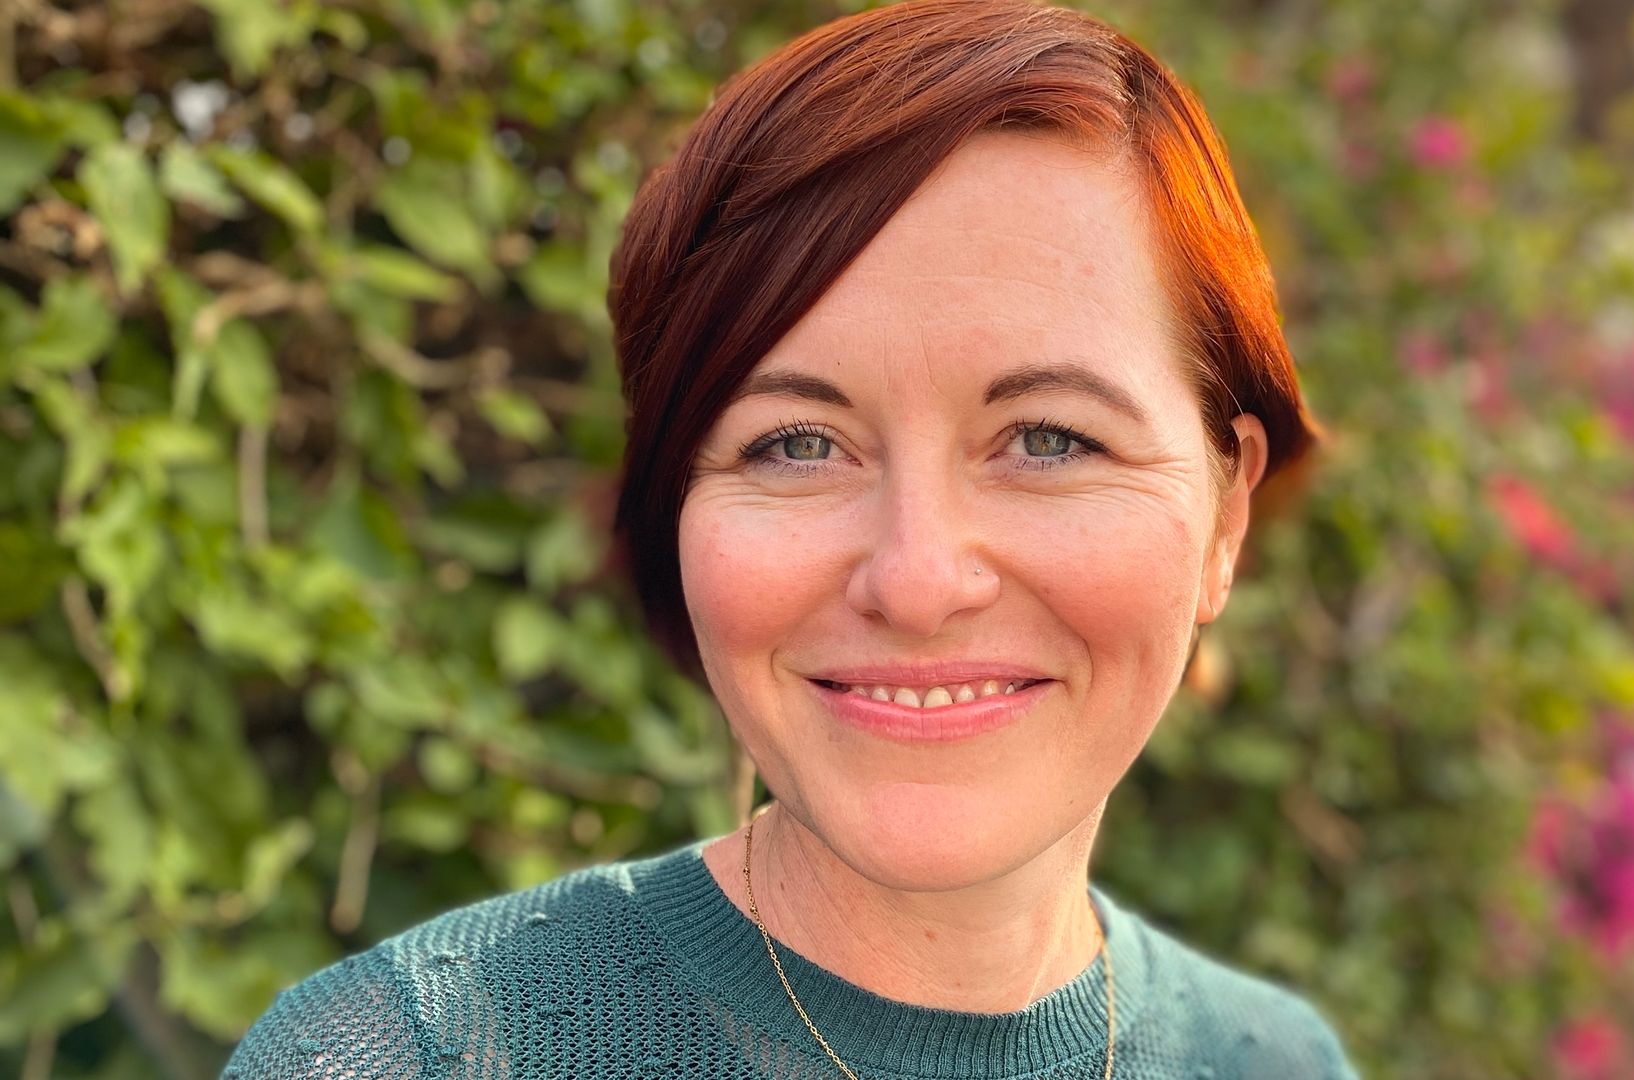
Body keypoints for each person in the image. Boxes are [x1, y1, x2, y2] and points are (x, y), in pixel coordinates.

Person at [225, 0, 1358, 1076]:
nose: (917, 580)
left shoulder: (1279, 1063)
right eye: (798, 445)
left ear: (1228, 512)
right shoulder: (417, 1058)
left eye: (1051, 440)